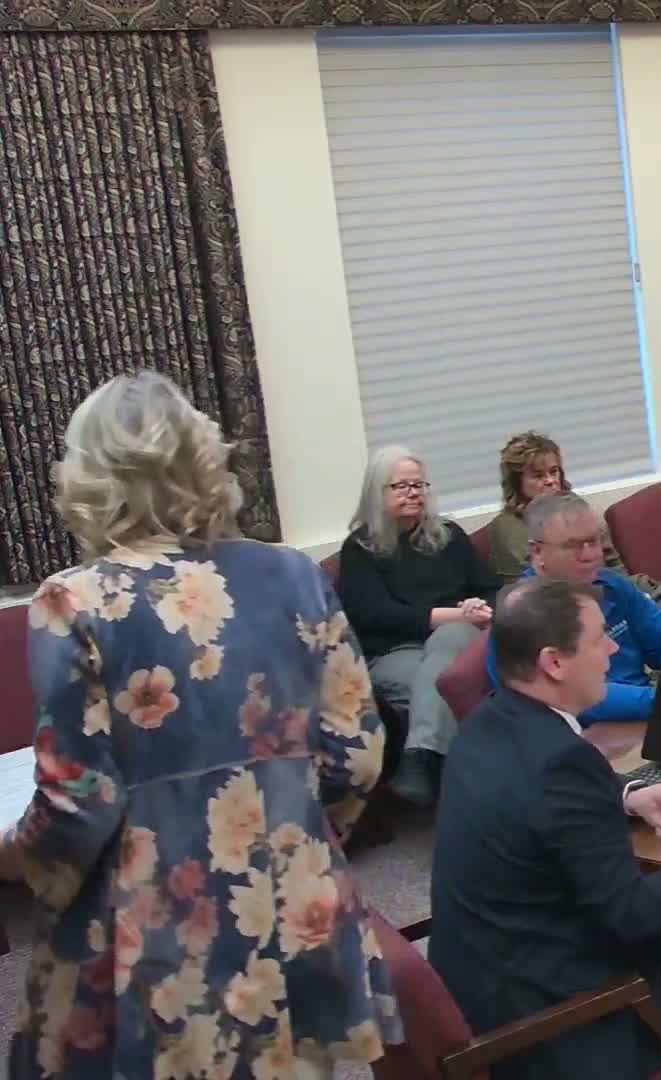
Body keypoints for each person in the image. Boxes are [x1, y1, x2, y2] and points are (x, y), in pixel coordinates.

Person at [1, 372, 397, 1078]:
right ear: (207, 462)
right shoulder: (294, 574)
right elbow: (358, 756)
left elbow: (80, 802)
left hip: (157, 927)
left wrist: (17, 861)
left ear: (88, 477)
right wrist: (296, 825)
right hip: (293, 898)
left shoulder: (76, 601)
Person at [431, 578, 661, 1080]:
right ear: (554, 662)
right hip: (551, 1017)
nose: (612, 649)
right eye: (599, 639)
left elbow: (537, 797)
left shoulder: (489, 722)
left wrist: (629, 794)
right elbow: (631, 913)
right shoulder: (561, 762)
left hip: (494, 971)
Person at [492, 492, 661, 725]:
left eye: (594, 541)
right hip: (588, 736)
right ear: (537, 551)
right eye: (573, 546)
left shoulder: (611, 584)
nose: (590, 555)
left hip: (651, 714)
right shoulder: (522, 615)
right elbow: (579, 697)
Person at [336, 446, 497, 806]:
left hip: (457, 642)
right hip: (393, 653)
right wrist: (453, 614)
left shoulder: (450, 536)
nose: (413, 493)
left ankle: (420, 758)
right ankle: (477, 791)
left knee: (450, 645)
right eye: (401, 486)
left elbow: (490, 588)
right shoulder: (359, 548)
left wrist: (477, 607)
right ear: (377, 493)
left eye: (419, 485)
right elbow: (374, 615)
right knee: (441, 687)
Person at [487, 431, 627, 589]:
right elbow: (522, 590)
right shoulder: (507, 527)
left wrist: (631, 594)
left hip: (611, 589)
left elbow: (614, 564)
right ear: (517, 483)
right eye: (538, 476)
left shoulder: (579, 509)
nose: (550, 481)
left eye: (554, 472)